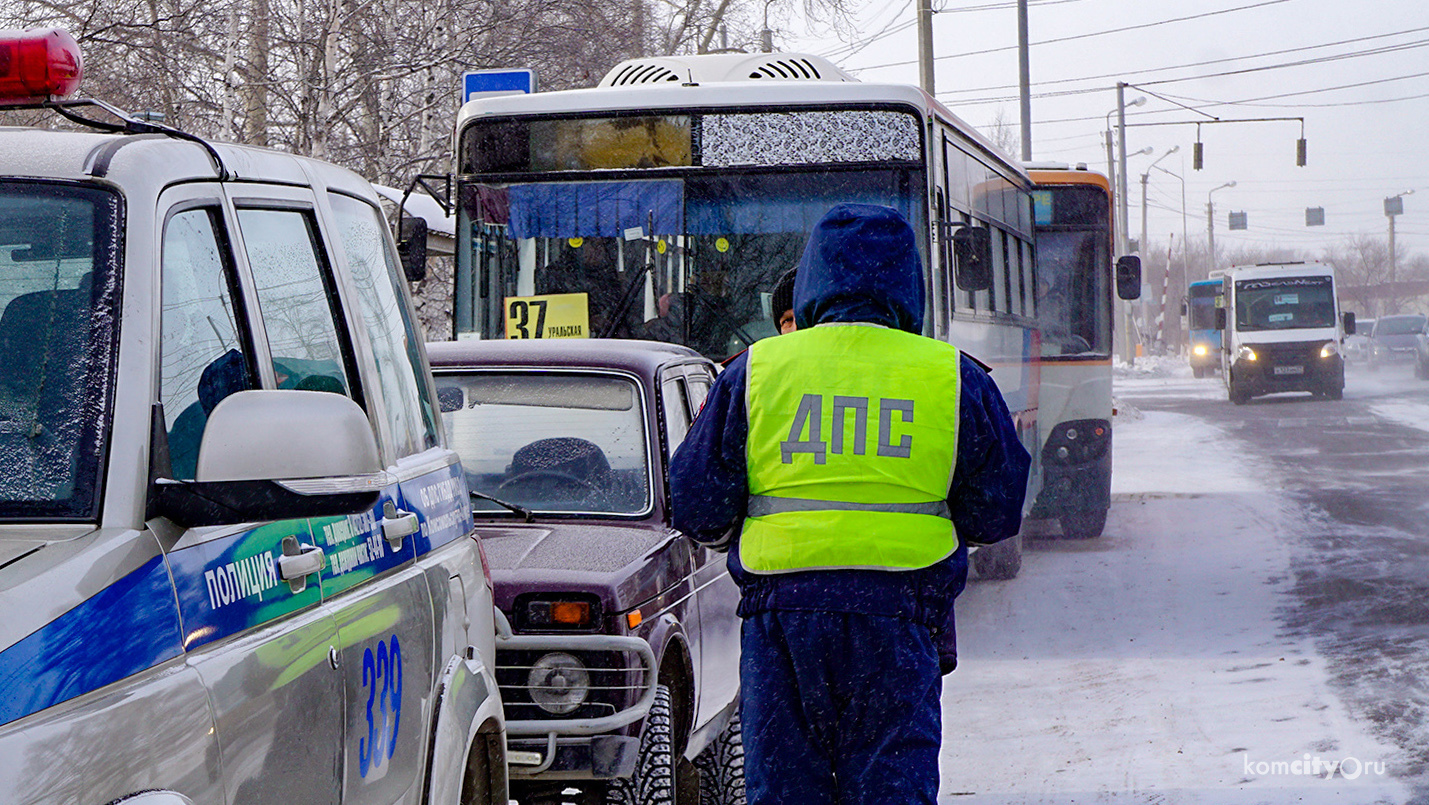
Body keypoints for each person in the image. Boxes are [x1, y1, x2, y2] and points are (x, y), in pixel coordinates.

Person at [669, 203, 1030, 805]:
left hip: (782, 625)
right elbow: (998, 509)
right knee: (893, 785)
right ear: (909, 282)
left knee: (785, 790)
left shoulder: (756, 372)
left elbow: (697, 502)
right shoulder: (952, 377)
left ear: (811, 278)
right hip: (901, 620)